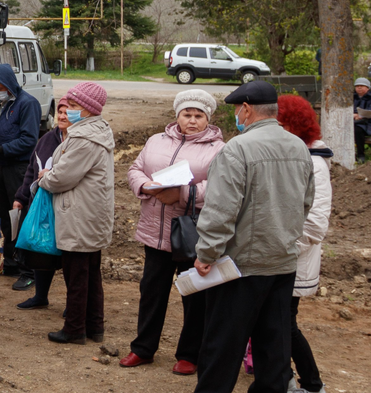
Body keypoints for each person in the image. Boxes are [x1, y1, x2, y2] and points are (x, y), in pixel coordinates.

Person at [192, 80, 315, 393]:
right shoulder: (298, 147)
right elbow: (306, 202)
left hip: (241, 265)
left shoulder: (237, 149)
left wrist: (207, 253)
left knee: (222, 346)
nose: (236, 115)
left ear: (245, 109)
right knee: (273, 347)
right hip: (283, 262)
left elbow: (220, 210)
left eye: (236, 109)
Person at [120, 89, 224, 375]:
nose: (191, 120)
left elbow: (219, 188)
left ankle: (190, 354)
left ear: (208, 118)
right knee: (151, 292)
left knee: (194, 296)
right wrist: (144, 186)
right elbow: (135, 168)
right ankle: (143, 348)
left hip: (192, 233)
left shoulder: (218, 149)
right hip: (154, 231)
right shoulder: (156, 141)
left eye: (198, 115)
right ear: (177, 115)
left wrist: (181, 194)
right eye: (186, 114)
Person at [36, 81, 114, 345]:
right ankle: (94, 326)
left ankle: (74, 329)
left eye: (74, 106)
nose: (67, 110)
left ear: (89, 110)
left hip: (79, 215)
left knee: (77, 273)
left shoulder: (83, 138)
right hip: (91, 213)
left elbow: (62, 177)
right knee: (90, 272)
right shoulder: (96, 132)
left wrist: (45, 177)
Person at [276, 95, 333, 393]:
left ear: (293, 125)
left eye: (279, 123)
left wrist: (281, 250)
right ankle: (284, 377)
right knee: (275, 322)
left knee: (285, 323)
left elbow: (314, 224)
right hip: (279, 256)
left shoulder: (314, 164)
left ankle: (311, 384)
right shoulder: (289, 153)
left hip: (291, 258)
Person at [0, 64, 41, 281]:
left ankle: (28, 269)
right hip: (2, 166)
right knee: (5, 215)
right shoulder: (1, 104)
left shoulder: (28, 104)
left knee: (20, 216)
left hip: (20, 169)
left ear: (9, 84)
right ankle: (11, 261)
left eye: (0, 87)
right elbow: (0, 135)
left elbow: (28, 140)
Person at [13, 97, 70, 309]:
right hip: (41, 205)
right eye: (60, 112)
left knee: (68, 256)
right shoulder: (46, 139)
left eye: (67, 112)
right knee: (41, 248)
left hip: (66, 206)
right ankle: (40, 296)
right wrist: (21, 197)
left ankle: (72, 304)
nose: (62, 116)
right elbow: (32, 171)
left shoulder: (78, 143)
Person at [354, 77, 371, 163]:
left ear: (367, 88)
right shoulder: (352, 97)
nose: (359, 88)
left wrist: (361, 115)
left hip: (368, 123)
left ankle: (361, 155)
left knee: (358, 130)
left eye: (362, 86)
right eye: (357, 86)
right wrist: (354, 115)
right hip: (354, 121)